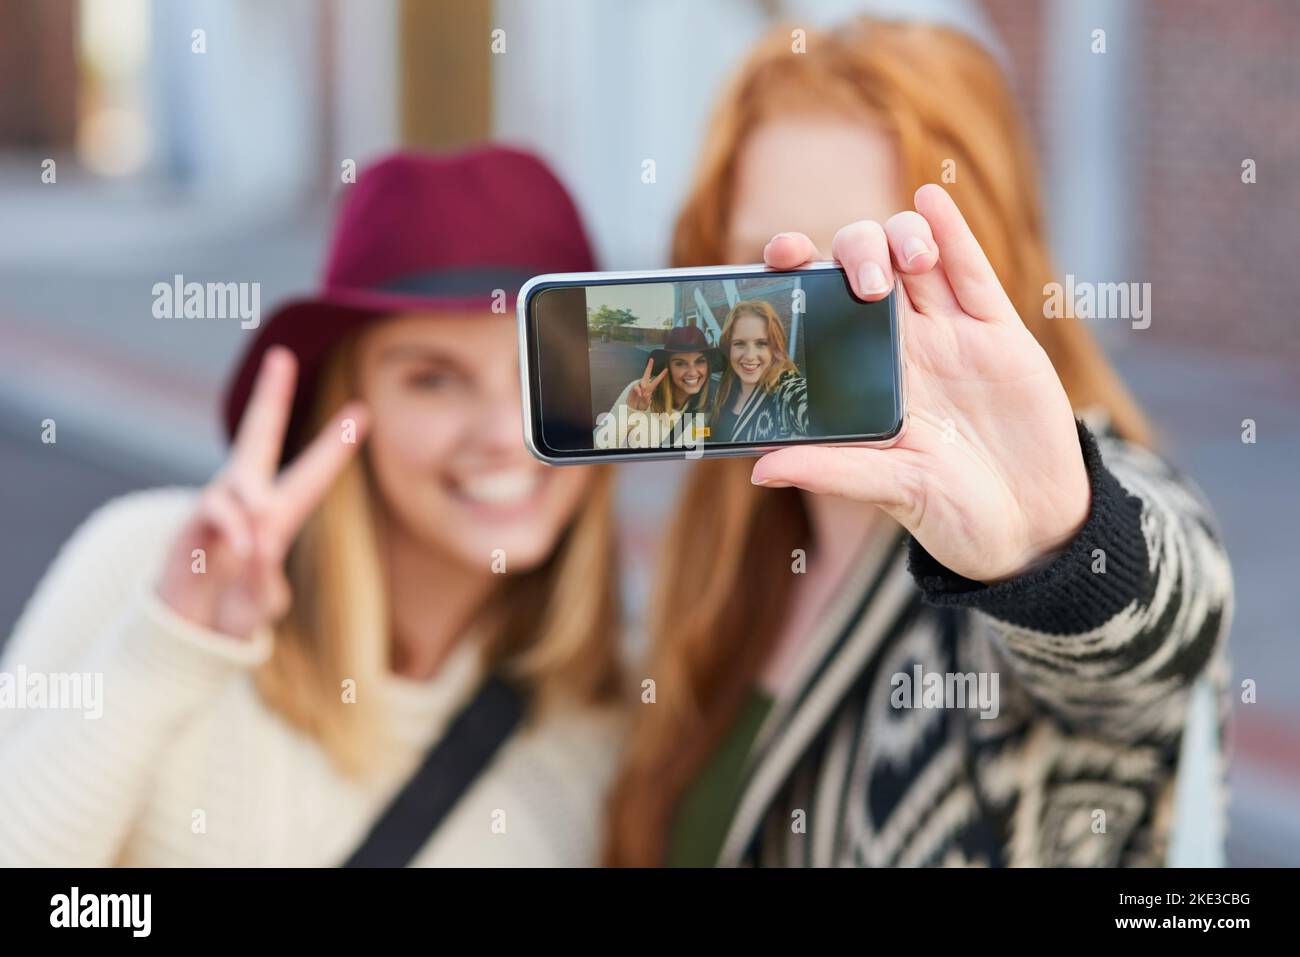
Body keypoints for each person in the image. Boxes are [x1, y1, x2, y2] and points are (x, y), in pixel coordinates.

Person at [604, 18, 1232, 867]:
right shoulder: (729, 537)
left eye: (861, 271)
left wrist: (1055, 544)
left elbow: (1162, 633)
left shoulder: (1048, 507)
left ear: (984, 257)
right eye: (764, 255)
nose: (803, 305)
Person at [0, 147, 625, 867]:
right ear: (348, 404)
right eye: (433, 380)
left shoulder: (617, 717)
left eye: (543, 373)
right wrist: (166, 646)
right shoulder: (148, 566)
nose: (503, 436)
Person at [596, 325, 720, 449]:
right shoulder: (640, 392)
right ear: (668, 367)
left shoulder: (707, 407)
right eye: (680, 363)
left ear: (708, 365)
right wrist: (630, 413)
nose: (692, 372)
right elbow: (596, 448)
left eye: (700, 361)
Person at [710, 299, 807, 443]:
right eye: (739, 344)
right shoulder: (724, 390)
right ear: (728, 348)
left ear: (775, 348)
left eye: (761, 344)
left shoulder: (787, 391)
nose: (750, 356)